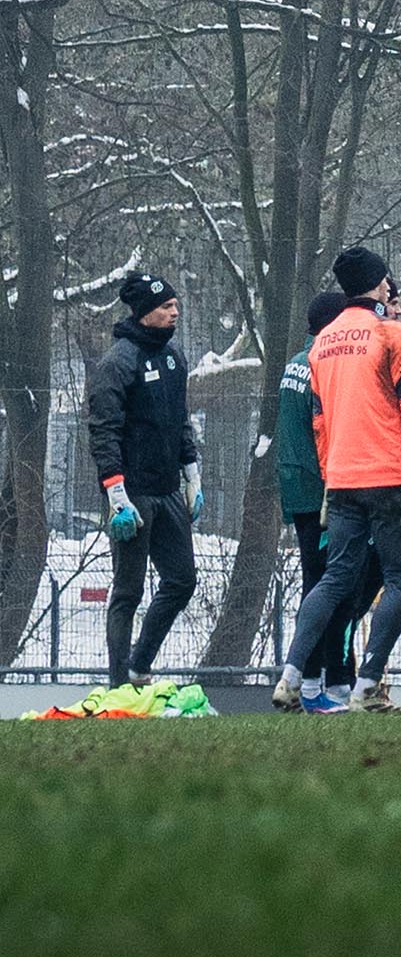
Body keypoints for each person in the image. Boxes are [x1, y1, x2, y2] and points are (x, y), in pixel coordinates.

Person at [271, 247, 401, 713]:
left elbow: (321, 421)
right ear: (380, 283)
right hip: (390, 474)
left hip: (342, 478)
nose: (391, 288)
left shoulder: (321, 342)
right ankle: (367, 685)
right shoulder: (392, 333)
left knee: (332, 578)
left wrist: (329, 480)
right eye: (387, 281)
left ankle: (291, 675)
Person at [87, 272, 200, 692]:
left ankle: (140, 663)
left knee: (182, 580)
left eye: (175, 306)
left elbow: (180, 420)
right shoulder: (117, 362)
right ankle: (120, 686)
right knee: (127, 593)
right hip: (132, 495)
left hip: (169, 490)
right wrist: (116, 494)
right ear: (145, 311)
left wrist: (192, 474)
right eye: (167, 306)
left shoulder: (175, 359)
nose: (175, 312)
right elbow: (104, 431)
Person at [274, 291, 383, 711]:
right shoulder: (321, 365)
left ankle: (324, 681)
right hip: (326, 492)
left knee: (320, 585)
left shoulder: (294, 366)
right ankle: (322, 684)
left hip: (301, 493)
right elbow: (324, 432)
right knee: (335, 588)